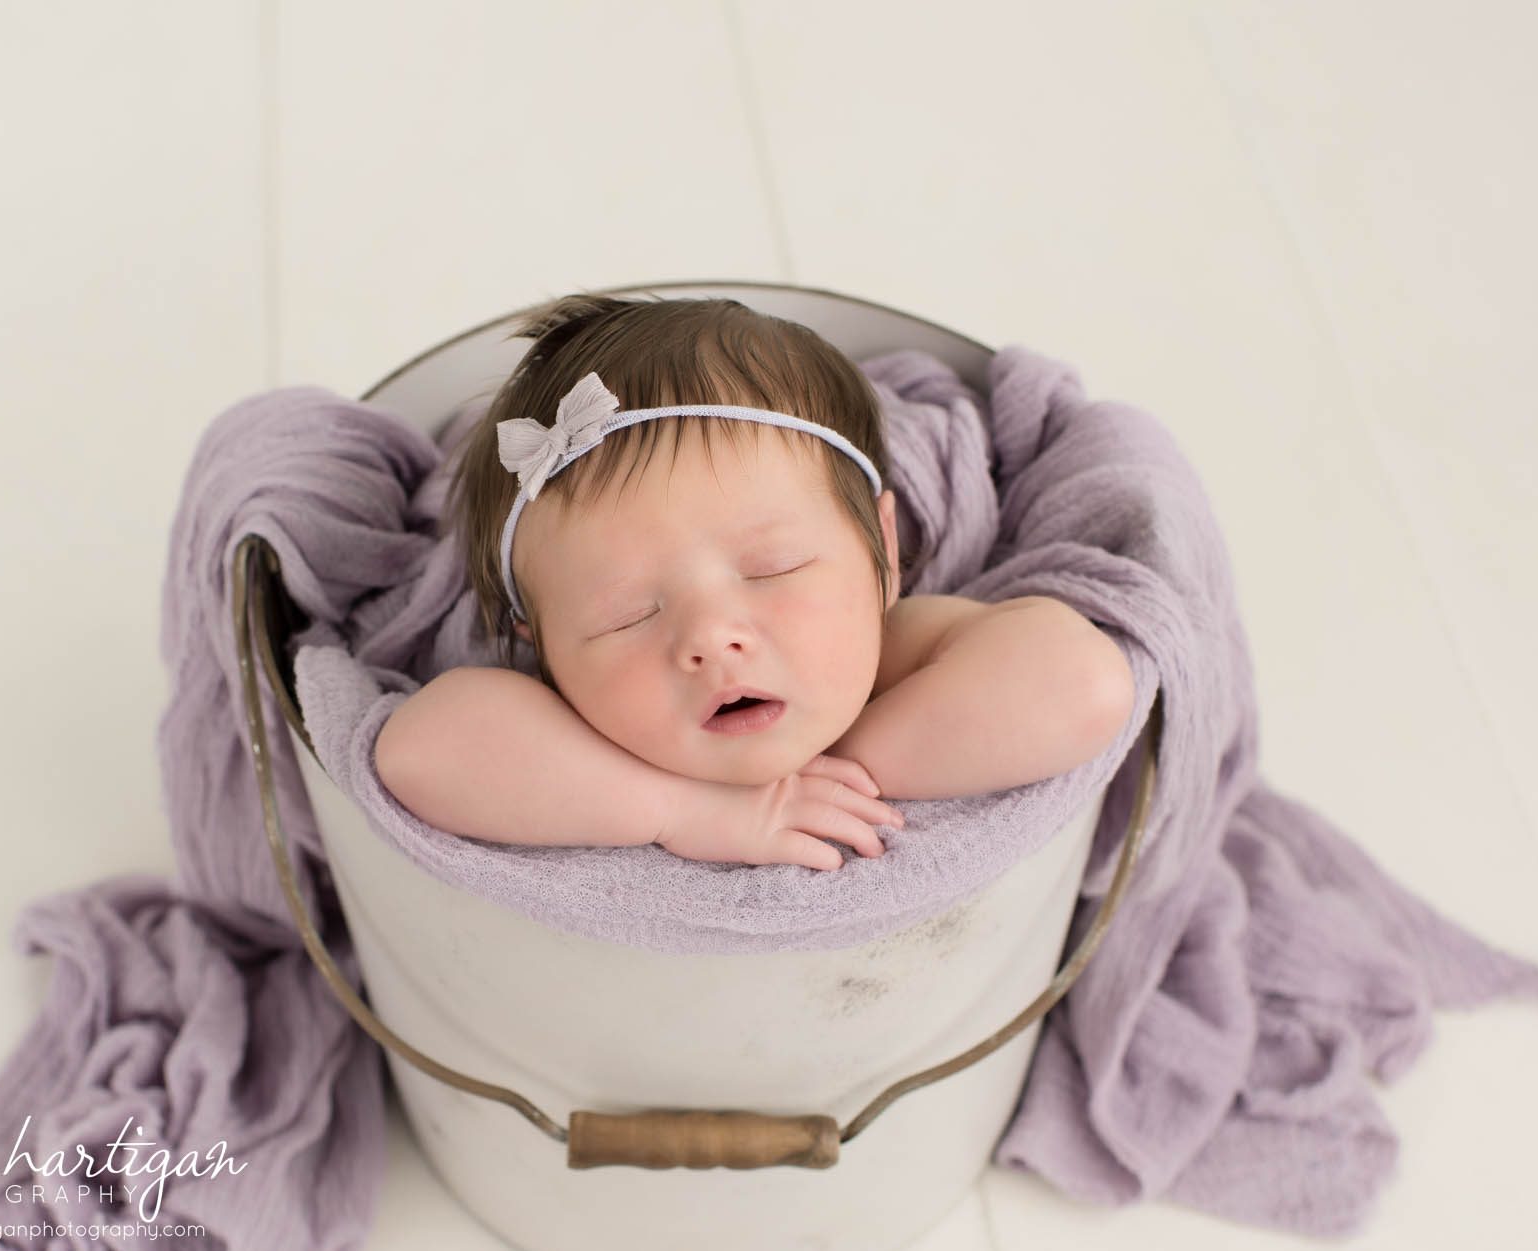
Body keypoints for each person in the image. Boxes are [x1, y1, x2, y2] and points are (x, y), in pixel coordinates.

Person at [374, 293, 1133, 871]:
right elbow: (417, 751)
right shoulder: (573, 729)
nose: (711, 637)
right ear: (539, 646)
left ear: (883, 553)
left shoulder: (896, 655)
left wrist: (848, 767)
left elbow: (1085, 681)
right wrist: (683, 808)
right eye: (626, 614)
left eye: (774, 568)